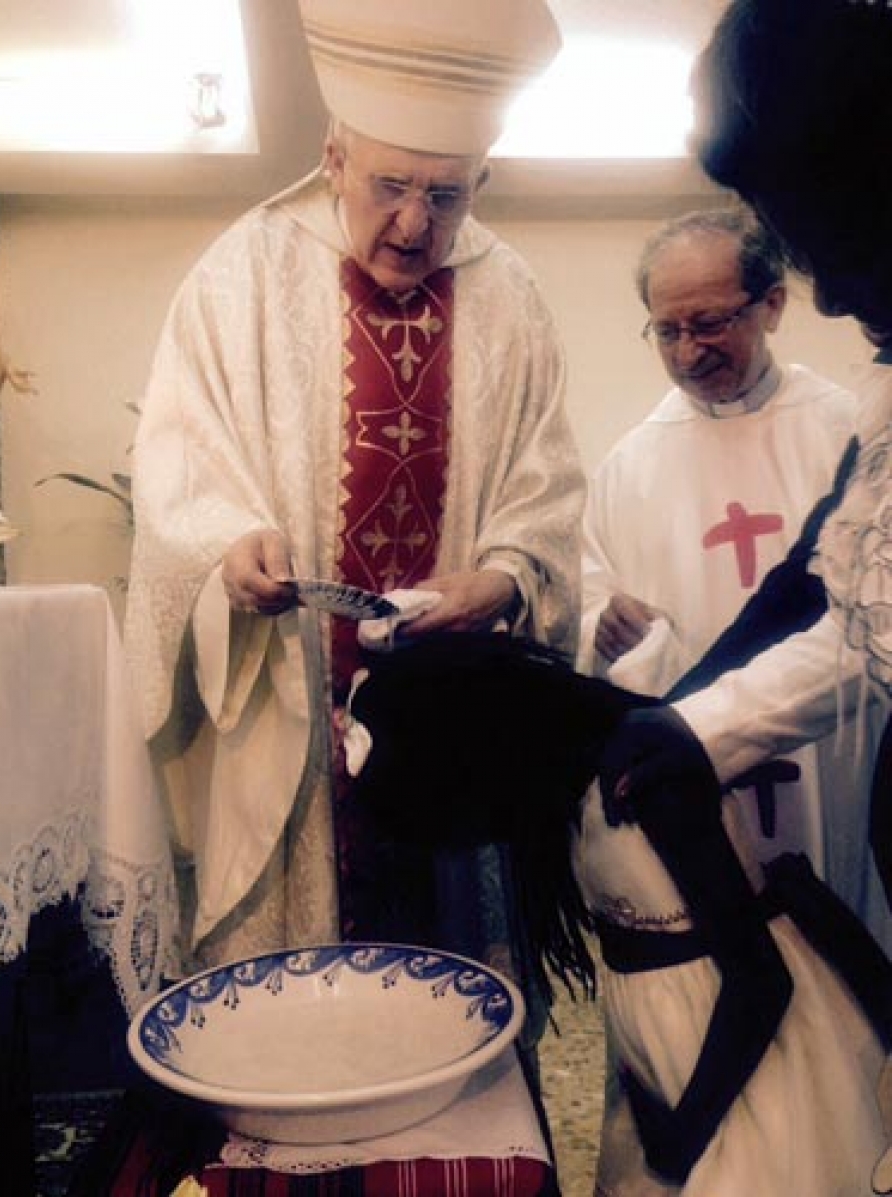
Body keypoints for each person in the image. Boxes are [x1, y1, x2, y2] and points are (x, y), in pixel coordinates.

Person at [122, 0, 584, 1034]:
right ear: (333, 156)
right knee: (301, 1025)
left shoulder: (511, 300)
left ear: (484, 185)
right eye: (391, 187)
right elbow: (179, 469)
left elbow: (548, 493)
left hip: (453, 731)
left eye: (446, 195)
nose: (416, 225)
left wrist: (507, 577)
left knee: (462, 1007)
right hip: (300, 738)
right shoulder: (240, 276)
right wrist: (227, 551)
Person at [594, 3, 892, 1187]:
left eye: (828, 248)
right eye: (666, 330)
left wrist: (697, 727)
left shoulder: (838, 413)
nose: (826, 296)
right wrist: (680, 719)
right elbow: (844, 608)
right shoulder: (633, 461)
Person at [344, 631, 891, 1195]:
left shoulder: (645, 787)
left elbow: (760, 980)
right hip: (665, 1059)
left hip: (739, 1072)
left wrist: (683, 1139)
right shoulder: (565, 795)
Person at [580, 207, 892, 950]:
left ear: (773, 305)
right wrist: (603, 621)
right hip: (689, 746)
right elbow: (587, 586)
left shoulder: (848, 428)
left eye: (712, 323)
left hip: (829, 754)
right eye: (668, 330)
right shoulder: (631, 462)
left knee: (843, 926)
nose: (689, 352)